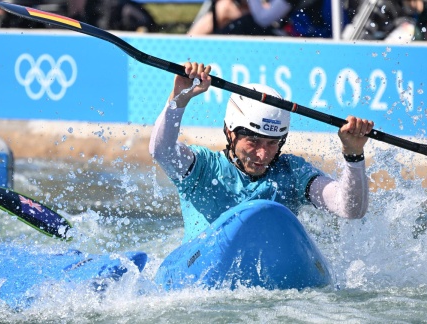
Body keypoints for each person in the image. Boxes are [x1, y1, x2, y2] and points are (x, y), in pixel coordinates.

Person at [149, 62, 373, 243]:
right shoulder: (204, 168)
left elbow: (349, 208)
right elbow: (161, 151)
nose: (262, 155)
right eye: (253, 141)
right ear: (229, 132)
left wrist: (353, 156)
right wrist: (179, 98)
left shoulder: (293, 172)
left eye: (272, 143)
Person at [188, 0, 333, 37]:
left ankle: (188, 43)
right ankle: (189, 42)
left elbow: (264, 18)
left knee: (225, 8)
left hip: (294, 37)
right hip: (277, 26)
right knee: (224, 7)